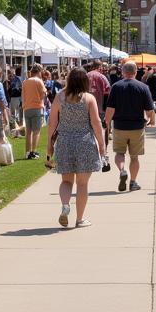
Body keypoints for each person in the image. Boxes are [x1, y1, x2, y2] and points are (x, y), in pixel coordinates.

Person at [45, 67, 107, 228]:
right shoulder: (88, 99)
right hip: (85, 142)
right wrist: (102, 145)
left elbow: (52, 123)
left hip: (65, 142)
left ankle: (65, 205)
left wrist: (49, 145)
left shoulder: (59, 98)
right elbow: (96, 123)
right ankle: (80, 219)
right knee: (82, 184)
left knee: (66, 181)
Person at [104, 60, 156, 191]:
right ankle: (133, 182)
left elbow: (110, 109)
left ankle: (122, 170)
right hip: (137, 127)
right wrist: (152, 120)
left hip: (120, 126)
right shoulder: (143, 87)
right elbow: (150, 109)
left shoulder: (116, 86)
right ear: (135, 72)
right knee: (134, 157)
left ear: (122, 72)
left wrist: (107, 124)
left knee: (119, 153)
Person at [21, 64, 48, 159]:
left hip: (27, 108)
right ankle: (33, 151)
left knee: (28, 132)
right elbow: (43, 94)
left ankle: (28, 152)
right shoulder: (39, 81)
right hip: (37, 107)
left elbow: (23, 95)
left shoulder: (25, 82)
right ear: (39, 71)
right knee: (36, 131)